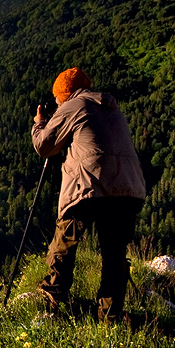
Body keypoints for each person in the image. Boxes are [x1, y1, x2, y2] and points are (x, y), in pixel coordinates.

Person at [31, 67, 147, 322]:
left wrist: (40, 122)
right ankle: (110, 316)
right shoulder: (112, 109)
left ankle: (53, 302)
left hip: (89, 186)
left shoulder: (73, 106)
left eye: (58, 98)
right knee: (114, 253)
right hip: (128, 188)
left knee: (65, 243)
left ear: (64, 93)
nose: (57, 102)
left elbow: (44, 146)